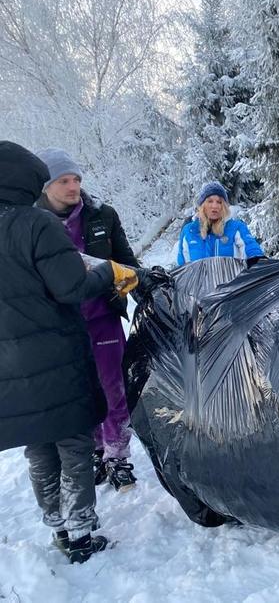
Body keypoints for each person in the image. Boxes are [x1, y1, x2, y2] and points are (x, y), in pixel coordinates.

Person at [0, 141, 143, 563]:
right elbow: (72, 286)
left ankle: (58, 527)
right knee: (74, 443)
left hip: (10, 362)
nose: (71, 186)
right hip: (54, 354)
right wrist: (109, 274)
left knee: (39, 445)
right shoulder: (35, 224)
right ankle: (81, 531)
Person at [36, 148, 139, 493]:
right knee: (82, 392)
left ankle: (119, 456)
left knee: (113, 388)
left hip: (103, 318)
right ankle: (97, 451)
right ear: (47, 186)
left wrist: (145, 289)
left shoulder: (102, 215)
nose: (73, 186)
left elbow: (125, 260)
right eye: (64, 180)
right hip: (61, 327)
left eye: (76, 179)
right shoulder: (34, 223)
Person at [177, 181, 264, 266]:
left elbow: (252, 250)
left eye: (219, 202)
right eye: (210, 201)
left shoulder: (236, 228)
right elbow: (182, 268)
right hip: (199, 281)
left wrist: (258, 261)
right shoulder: (189, 231)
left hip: (233, 280)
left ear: (224, 206)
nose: (214, 206)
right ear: (202, 205)